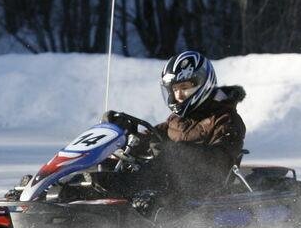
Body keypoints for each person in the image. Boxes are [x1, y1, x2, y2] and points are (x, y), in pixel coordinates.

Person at [105, 50, 246, 217]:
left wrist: (172, 152)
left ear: (203, 84)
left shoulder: (226, 119)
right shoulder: (176, 120)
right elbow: (150, 137)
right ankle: (79, 197)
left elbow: (218, 163)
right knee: (112, 171)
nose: (179, 95)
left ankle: (124, 222)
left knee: (144, 192)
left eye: (185, 88)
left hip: (200, 192)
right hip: (168, 183)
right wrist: (125, 132)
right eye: (175, 89)